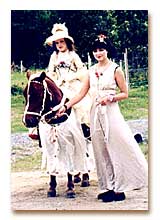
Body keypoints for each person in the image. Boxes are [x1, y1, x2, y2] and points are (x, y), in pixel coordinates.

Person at [57, 34, 148, 202]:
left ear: (107, 51)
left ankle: (120, 188)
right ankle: (107, 187)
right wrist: (65, 106)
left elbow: (125, 93)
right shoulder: (90, 71)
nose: (98, 53)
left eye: (101, 50)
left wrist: (111, 98)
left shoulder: (115, 69)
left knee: (115, 146)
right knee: (100, 149)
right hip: (95, 113)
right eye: (95, 51)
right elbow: (81, 93)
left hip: (111, 112)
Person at [41, 23, 94, 188]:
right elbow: (50, 72)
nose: (59, 45)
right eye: (57, 43)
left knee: (81, 108)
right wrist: (53, 80)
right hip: (58, 85)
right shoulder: (54, 57)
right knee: (46, 105)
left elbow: (83, 71)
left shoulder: (73, 56)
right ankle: (40, 131)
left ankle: (85, 132)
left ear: (67, 42)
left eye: (61, 42)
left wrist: (70, 78)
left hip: (73, 86)